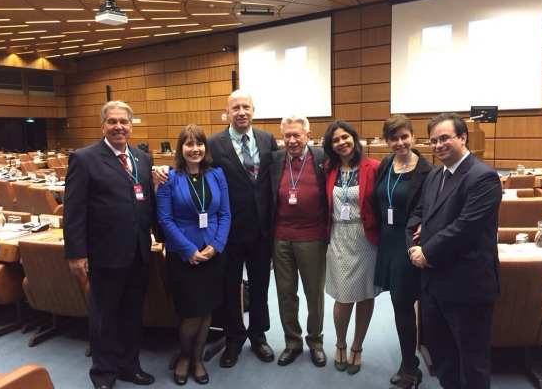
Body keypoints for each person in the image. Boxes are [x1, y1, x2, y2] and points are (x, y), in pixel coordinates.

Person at [153, 90, 278, 368]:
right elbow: (191, 169)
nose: (241, 112)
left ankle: (258, 335)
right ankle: (234, 338)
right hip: (228, 232)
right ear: (227, 112)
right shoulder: (212, 143)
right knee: (230, 288)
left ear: (254, 110)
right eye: (236, 108)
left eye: (246, 106)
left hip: (260, 229)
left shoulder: (268, 139)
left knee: (260, 285)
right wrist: (161, 169)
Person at [64, 100, 156, 389]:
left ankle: (130, 366)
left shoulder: (142, 158)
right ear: (102, 125)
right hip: (105, 253)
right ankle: (103, 374)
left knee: (132, 313)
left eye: (124, 121)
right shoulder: (85, 158)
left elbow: (147, 202)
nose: (119, 126)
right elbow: (74, 210)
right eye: (112, 121)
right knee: (104, 316)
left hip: (139, 252)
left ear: (131, 124)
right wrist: (76, 253)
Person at [406, 112, 502, 389]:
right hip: (433, 286)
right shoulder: (435, 176)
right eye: (433, 140)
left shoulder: (483, 177)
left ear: (463, 137)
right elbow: (417, 216)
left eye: (444, 138)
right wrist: (413, 246)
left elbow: (466, 226)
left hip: (466, 286)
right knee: (443, 357)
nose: (437, 145)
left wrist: (427, 251)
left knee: (472, 363)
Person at [156, 124, 231, 386]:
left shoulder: (217, 175)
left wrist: (217, 245)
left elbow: (224, 214)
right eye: (189, 144)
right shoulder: (169, 178)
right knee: (191, 312)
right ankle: (185, 357)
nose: (195, 148)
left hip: (213, 254)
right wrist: (188, 250)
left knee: (207, 308)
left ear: (205, 148)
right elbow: (165, 220)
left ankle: (198, 359)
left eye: (199, 143)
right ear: (181, 148)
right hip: (182, 256)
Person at [373, 115, 434, 389]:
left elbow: (434, 207)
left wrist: (425, 228)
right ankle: (410, 360)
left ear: (413, 136)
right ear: (387, 141)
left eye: (404, 136)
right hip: (386, 240)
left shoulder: (427, 170)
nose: (400, 142)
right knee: (399, 303)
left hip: (407, 243)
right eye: (394, 138)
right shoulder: (386, 163)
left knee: (403, 302)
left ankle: (410, 365)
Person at [322, 120, 381, 375]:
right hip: (338, 236)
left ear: (354, 139)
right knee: (343, 297)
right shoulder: (328, 169)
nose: (341, 143)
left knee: (366, 294)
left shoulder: (374, 167)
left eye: (345, 137)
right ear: (331, 146)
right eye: (335, 140)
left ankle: (357, 346)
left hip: (366, 238)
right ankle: (341, 343)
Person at [270, 115, 328, 367]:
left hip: (312, 237)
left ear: (308, 135)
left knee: (314, 294)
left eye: (297, 135)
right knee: (285, 293)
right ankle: (292, 342)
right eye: (287, 135)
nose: (292, 140)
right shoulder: (274, 160)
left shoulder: (322, 158)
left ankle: (315, 341)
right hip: (280, 237)